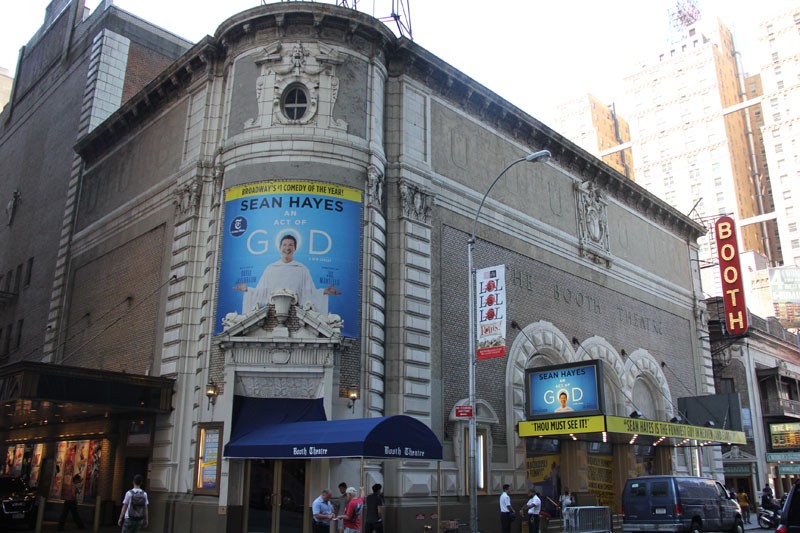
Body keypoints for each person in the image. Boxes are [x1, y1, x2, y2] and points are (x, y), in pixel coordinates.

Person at [234, 234, 341, 313]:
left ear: (295, 248)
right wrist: (247, 290)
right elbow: (262, 292)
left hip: (295, 314)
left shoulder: (302, 269)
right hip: (272, 314)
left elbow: (309, 293)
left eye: (291, 245)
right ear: (280, 247)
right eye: (284, 245)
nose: (287, 248)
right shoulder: (271, 269)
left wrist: (323, 292)